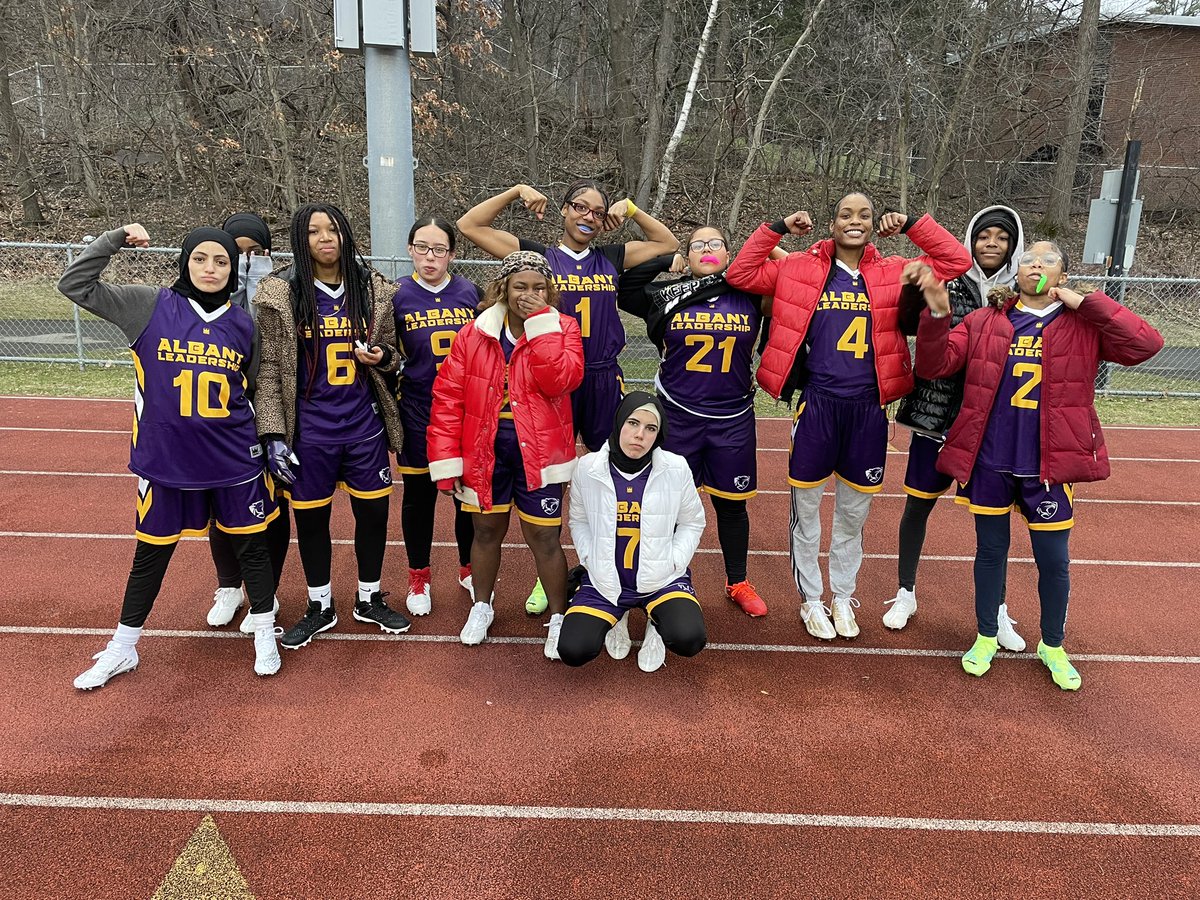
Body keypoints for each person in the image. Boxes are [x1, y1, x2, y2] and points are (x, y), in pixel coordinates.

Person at [911, 242, 1162, 690]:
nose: (1037, 265)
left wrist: (1087, 302)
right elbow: (935, 364)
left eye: (1048, 261)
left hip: (1049, 465)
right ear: (1017, 272)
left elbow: (1147, 344)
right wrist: (935, 314)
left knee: (1054, 561)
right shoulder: (986, 320)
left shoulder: (1083, 324)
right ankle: (986, 635)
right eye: (1028, 260)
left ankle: (1053, 645)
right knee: (990, 552)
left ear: (1062, 275)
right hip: (991, 460)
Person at [725, 193, 971, 641]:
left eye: (864, 215)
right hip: (818, 404)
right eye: (845, 214)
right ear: (832, 222)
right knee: (807, 512)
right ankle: (811, 599)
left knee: (853, 516)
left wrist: (912, 224)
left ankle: (842, 595)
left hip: (868, 409)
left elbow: (956, 260)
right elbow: (740, 273)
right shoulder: (798, 266)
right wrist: (777, 226)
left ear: (875, 224)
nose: (854, 221)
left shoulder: (896, 270)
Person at [59, 224, 283, 687]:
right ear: (185, 261)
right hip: (167, 462)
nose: (210, 268)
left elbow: (252, 388)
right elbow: (75, 284)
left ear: (233, 269)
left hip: (233, 460)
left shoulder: (244, 324)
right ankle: (122, 648)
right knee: (151, 555)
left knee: (252, 549)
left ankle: (265, 632)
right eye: (200, 258)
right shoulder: (149, 304)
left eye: (221, 261)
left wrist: (270, 440)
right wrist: (115, 238)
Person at [457, 180, 677, 615]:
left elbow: (667, 243)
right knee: (549, 481)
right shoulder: (538, 257)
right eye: (580, 207)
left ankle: (608, 567)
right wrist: (516, 191)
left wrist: (631, 209)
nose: (588, 217)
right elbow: (470, 225)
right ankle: (549, 576)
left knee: (612, 475)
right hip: (548, 380)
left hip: (600, 378)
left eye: (597, 212)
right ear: (563, 210)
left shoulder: (611, 256)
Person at [254, 202, 410, 649]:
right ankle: (319, 604)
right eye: (313, 231)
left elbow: (394, 354)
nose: (325, 238)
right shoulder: (281, 292)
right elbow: (269, 370)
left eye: (333, 229)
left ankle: (369, 597)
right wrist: (273, 434)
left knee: (374, 515)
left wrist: (383, 358)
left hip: (363, 425)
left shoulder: (371, 288)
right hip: (310, 430)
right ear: (299, 240)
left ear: (345, 235)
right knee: (311, 519)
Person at [615, 226, 780, 628]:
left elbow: (795, 274)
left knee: (732, 505)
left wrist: (762, 251)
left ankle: (737, 582)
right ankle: (662, 579)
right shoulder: (667, 294)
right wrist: (663, 260)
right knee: (667, 505)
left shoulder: (750, 293)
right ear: (687, 256)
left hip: (731, 418)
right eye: (697, 245)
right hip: (678, 415)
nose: (707, 250)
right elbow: (625, 286)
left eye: (715, 244)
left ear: (729, 253)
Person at [426, 251, 584, 659]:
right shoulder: (474, 333)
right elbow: (448, 398)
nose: (529, 294)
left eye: (539, 287)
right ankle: (482, 605)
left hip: (541, 452)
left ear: (549, 291)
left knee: (545, 536)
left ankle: (558, 616)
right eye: (520, 286)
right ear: (503, 289)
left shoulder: (563, 327)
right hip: (485, 450)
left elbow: (562, 381)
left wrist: (541, 326)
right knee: (485, 532)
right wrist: (447, 462)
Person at [885, 205, 1026, 652]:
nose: (991, 243)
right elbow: (907, 323)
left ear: (1014, 246)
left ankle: (997, 609)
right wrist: (917, 289)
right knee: (918, 505)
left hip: (992, 422)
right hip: (937, 412)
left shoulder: (1023, 291)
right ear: (970, 240)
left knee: (993, 523)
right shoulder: (947, 275)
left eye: (1001, 237)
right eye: (983, 235)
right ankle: (906, 592)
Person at [559, 392, 707, 672]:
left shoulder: (675, 468)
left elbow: (693, 522)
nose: (640, 435)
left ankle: (656, 623)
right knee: (573, 650)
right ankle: (618, 615)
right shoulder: (587, 468)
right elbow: (578, 520)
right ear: (619, 423)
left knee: (689, 639)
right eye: (633, 423)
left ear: (658, 434)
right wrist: (589, 558)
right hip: (606, 582)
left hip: (660, 580)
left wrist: (675, 561)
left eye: (650, 428)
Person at [206, 211, 291, 633]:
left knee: (273, 504)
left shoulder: (278, 290)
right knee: (219, 506)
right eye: (235, 253)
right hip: (219, 417)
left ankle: (267, 591)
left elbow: (272, 349)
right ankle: (228, 586)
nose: (244, 261)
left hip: (269, 408)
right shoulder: (201, 295)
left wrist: (259, 284)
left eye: (254, 253)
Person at [392, 215, 480, 615]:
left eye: (439, 249)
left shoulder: (470, 292)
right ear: (410, 250)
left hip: (464, 411)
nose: (430, 257)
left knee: (466, 496)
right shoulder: (395, 296)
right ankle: (419, 575)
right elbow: (386, 352)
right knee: (419, 496)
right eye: (422, 248)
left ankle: (469, 568)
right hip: (418, 409)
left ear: (452, 254)